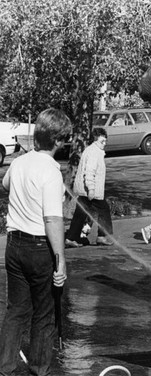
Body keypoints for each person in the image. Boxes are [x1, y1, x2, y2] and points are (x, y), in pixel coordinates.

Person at [0, 108, 71, 376]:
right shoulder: (51, 172)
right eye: (64, 140)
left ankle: (4, 366)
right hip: (39, 248)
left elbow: (5, 185)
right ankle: (39, 368)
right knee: (43, 312)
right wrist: (60, 259)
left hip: (14, 245)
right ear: (57, 141)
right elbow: (52, 220)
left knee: (16, 310)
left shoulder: (20, 162)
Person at [65, 127, 114, 247]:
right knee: (104, 211)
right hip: (90, 190)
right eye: (102, 141)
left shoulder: (93, 150)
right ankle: (102, 236)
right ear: (95, 140)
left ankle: (71, 238)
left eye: (105, 141)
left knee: (80, 213)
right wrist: (91, 188)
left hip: (84, 190)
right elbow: (89, 172)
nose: (104, 143)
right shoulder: (94, 152)